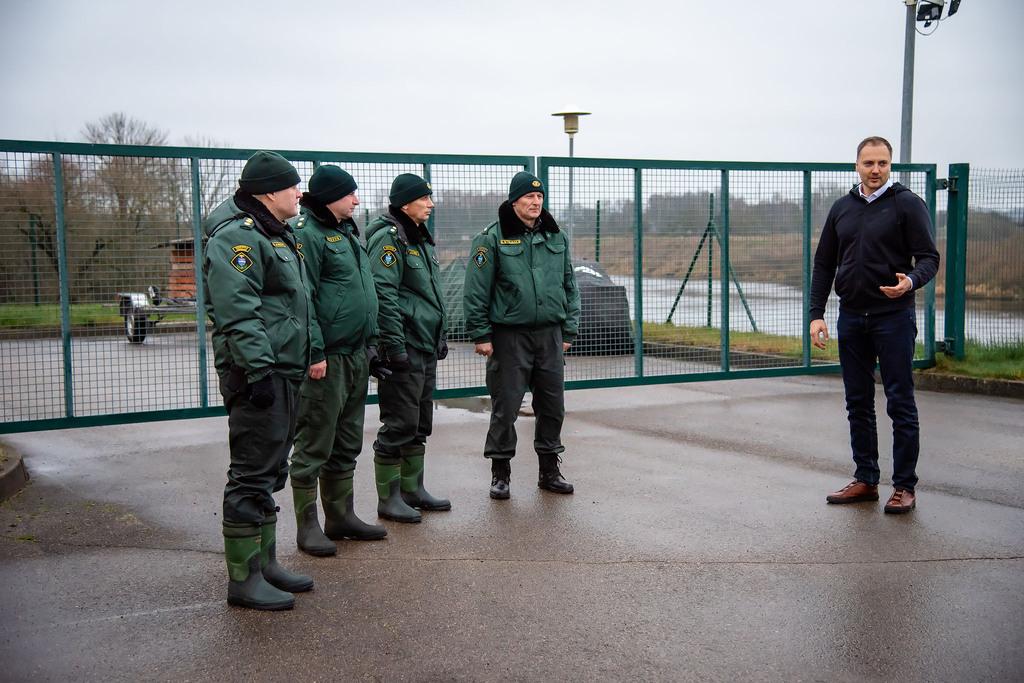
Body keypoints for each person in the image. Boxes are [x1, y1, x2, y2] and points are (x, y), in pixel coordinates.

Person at [202, 150, 314, 610]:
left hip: (281, 367)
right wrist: (259, 370)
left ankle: (265, 564)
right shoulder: (239, 239)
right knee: (250, 472)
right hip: (257, 373)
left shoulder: (276, 233)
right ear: (269, 193)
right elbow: (238, 312)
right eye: (292, 186)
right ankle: (243, 580)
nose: (299, 193)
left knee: (270, 468)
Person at [810, 136, 940, 514]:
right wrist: (816, 314)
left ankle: (904, 487)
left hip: (893, 317)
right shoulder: (842, 209)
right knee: (858, 403)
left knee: (900, 402)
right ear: (857, 165)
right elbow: (823, 265)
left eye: (882, 163)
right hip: (851, 316)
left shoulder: (908, 204)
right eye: (869, 163)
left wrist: (910, 282)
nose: (876, 170)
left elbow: (929, 258)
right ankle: (866, 479)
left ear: (890, 165)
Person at [288, 165, 391, 557]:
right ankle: (308, 525)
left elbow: (362, 293)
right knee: (315, 440)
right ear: (331, 196)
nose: (357, 200)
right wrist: (314, 352)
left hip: (354, 355)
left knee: (347, 440)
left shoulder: (347, 232)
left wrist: (372, 345)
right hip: (326, 359)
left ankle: (340, 516)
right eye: (350, 194)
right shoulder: (308, 235)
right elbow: (304, 298)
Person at [462, 171, 581, 500]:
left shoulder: (556, 237)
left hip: (550, 336)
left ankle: (549, 470)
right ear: (514, 201)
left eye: (540, 197)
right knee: (507, 407)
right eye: (529, 197)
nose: (535, 202)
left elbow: (570, 286)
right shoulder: (490, 239)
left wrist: (568, 328)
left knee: (553, 406)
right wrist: (481, 334)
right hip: (509, 337)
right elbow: (476, 291)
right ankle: (501, 473)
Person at [365, 173, 450, 523]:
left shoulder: (419, 239)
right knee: (399, 423)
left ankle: (413, 489)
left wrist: (439, 335)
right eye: (424, 198)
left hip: (424, 344)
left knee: (419, 422)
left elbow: (429, 294)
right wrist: (394, 347)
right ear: (405, 203)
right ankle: (389, 499)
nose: (430, 204)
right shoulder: (389, 239)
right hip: (405, 346)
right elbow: (384, 295)